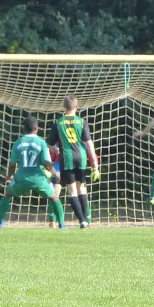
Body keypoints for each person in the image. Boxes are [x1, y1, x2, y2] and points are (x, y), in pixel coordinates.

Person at [0, 116, 66, 229]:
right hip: (38, 179)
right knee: (54, 197)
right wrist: (56, 174)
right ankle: (61, 225)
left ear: (24, 128)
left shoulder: (17, 143)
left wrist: (8, 177)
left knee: (7, 195)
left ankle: (0, 223)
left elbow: (12, 165)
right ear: (36, 128)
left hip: (21, 179)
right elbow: (47, 163)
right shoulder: (41, 142)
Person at [47, 95, 100, 228]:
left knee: (72, 191)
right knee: (81, 188)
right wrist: (94, 162)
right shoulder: (82, 122)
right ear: (76, 107)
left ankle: (82, 220)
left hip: (67, 159)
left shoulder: (58, 123)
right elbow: (89, 143)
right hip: (81, 158)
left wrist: (54, 148)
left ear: (64, 107)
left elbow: (49, 144)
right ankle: (86, 221)